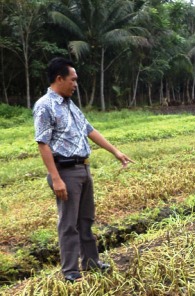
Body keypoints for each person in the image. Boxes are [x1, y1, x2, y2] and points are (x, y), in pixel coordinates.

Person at [33, 57, 134, 282]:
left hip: (83, 168)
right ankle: (70, 271)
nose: (76, 84)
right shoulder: (45, 106)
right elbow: (43, 143)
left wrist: (116, 152)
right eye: (73, 79)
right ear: (59, 79)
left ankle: (91, 262)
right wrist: (56, 178)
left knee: (86, 219)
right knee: (69, 223)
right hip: (65, 171)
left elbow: (89, 130)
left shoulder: (70, 105)